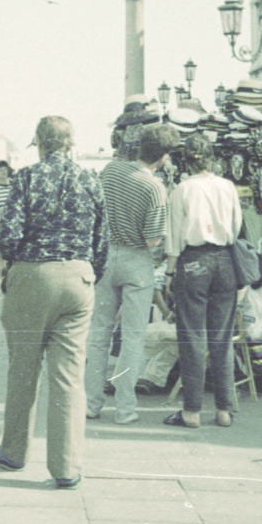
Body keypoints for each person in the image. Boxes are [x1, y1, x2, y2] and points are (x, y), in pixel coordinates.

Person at [0, 116, 107, 489]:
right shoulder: (91, 179)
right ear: (71, 143)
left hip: (33, 277)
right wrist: (85, 274)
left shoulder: (26, 178)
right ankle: (66, 466)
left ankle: (14, 451)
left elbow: (7, 235)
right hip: (78, 278)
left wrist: (14, 263)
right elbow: (102, 240)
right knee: (69, 376)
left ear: (39, 143)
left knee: (23, 368)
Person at [85, 123, 175, 425]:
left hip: (107, 255)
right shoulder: (155, 188)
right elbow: (153, 239)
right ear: (163, 157)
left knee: (99, 334)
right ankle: (124, 409)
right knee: (133, 338)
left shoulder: (110, 171)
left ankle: (91, 403)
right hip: (137, 261)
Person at [162, 134, 244, 430]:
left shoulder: (181, 189)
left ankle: (192, 411)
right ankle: (224, 410)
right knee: (222, 338)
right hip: (224, 260)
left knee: (192, 337)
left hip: (193, 260)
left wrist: (170, 272)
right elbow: (236, 227)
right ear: (212, 158)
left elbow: (173, 236)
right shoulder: (227, 186)